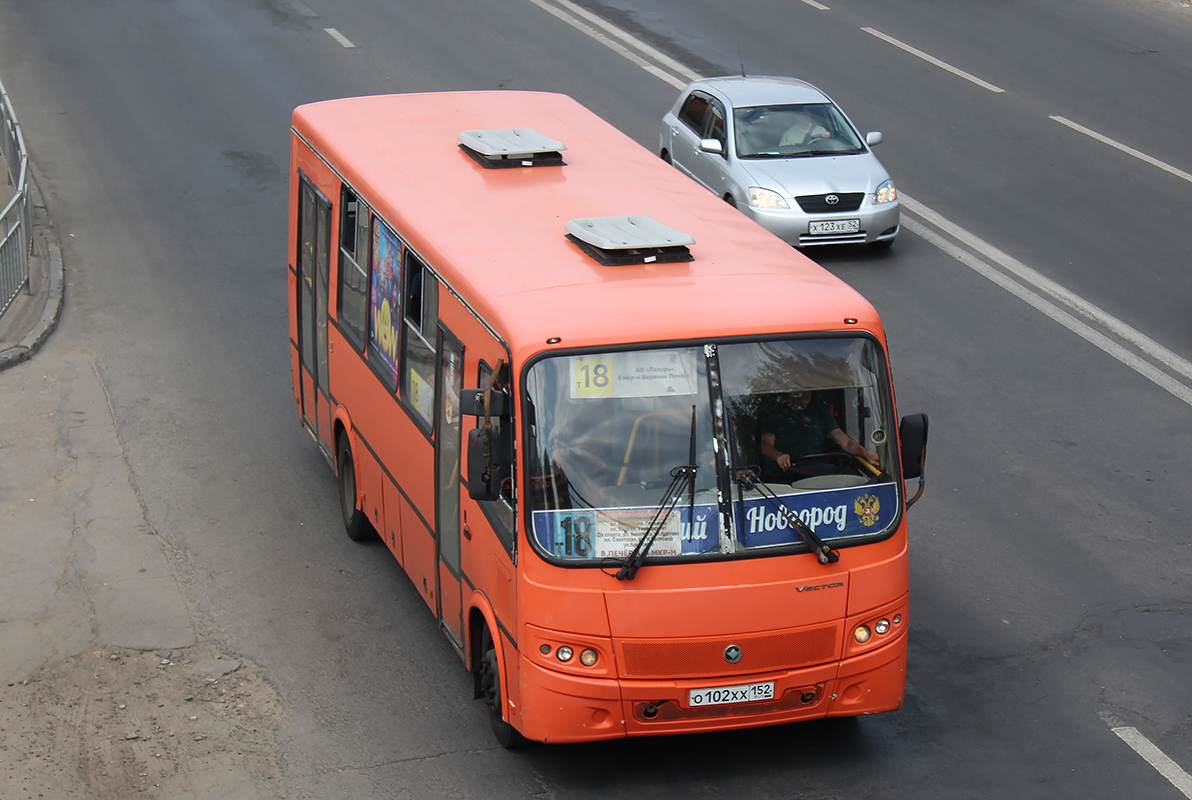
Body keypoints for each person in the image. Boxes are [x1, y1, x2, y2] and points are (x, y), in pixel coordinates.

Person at [758, 390, 879, 482]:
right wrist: (779, 456)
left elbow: (845, 442)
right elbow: (766, 446)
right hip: (784, 476)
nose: (804, 395)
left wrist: (866, 454)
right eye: (800, 392)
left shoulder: (820, 412)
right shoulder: (776, 415)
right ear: (791, 391)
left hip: (819, 475)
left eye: (808, 390)